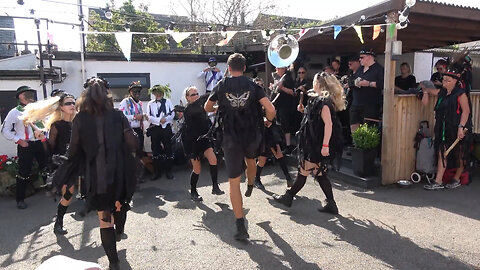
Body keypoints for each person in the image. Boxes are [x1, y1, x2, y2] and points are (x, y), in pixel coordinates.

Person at [54, 77, 138, 270]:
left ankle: (114, 264)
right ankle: (119, 231)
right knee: (120, 204)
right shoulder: (118, 115)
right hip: (119, 172)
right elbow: (134, 143)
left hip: (96, 175)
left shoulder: (80, 119)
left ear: (85, 96)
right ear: (107, 94)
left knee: (105, 218)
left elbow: (73, 150)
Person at [205, 53, 275, 241]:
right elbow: (271, 109)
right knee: (251, 160)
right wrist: (268, 121)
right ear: (244, 68)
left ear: (228, 68)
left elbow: (206, 108)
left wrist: (219, 108)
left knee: (233, 181)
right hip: (251, 134)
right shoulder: (254, 86)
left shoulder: (221, 85)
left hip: (230, 138)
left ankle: (240, 226)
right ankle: (251, 183)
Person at [273, 72, 345, 214]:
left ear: (319, 84)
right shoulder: (317, 100)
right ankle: (331, 204)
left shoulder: (324, 103)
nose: (312, 83)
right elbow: (313, 120)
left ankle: (288, 197)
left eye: (314, 81)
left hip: (316, 144)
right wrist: (303, 111)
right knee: (318, 174)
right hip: (313, 142)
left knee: (305, 172)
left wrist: (325, 146)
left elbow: (329, 125)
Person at [20, 92, 77, 234]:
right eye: (68, 103)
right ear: (61, 108)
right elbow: (50, 149)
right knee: (68, 194)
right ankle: (58, 223)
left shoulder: (78, 123)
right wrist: (42, 139)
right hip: (63, 163)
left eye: (73, 102)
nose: (72, 105)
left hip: (79, 161)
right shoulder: (57, 126)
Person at [422, 60, 472, 190]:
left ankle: (456, 178)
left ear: (455, 81)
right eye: (444, 80)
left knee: (460, 154)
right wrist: (425, 90)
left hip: (459, 127)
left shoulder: (461, 93)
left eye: (448, 81)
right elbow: (430, 91)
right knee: (442, 153)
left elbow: (466, 111)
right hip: (443, 128)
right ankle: (438, 181)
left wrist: (461, 128)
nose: (444, 83)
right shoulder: (442, 92)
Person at [1, 86, 47, 209]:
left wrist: (44, 133)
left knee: (46, 166)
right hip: (25, 144)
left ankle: (48, 189)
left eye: (30, 92)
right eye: (25, 93)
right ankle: (20, 199)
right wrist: (19, 141)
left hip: (39, 142)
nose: (29, 95)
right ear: (19, 97)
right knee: (23, 171)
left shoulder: (38, 110)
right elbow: (5, 130)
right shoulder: (15, 112)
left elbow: (46, 124)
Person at [181, 86, 224, 201]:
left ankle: (215, 186)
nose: (195, 96)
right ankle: (193, 191)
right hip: (192, 142)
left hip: (204, 138)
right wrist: (216, 90)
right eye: (192, 95)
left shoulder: (201, 106)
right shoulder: (189, 109)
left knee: (213, 159)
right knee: (197, 169)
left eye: (196, 93)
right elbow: (204, 107)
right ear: (187, 98)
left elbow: (208, 109)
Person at [253, 78, 294, 190]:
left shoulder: (265, 98)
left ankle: (288, 178)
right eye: (257, 85)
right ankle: (256, 179)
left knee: (276, 153)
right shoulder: (252, 102)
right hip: (260, 132)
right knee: (263, 158)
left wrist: (270, 119)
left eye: (261, 85)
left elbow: (271, 111)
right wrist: (263, 120)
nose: (259, 87)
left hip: (270, 131)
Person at [350, 48, 384, 133]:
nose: (360, 59)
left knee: (368, 128)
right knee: (353, 125)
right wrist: (355, 83)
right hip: (356, 103)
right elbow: (352, 80)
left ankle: (366, 145)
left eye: (362, 57)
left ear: (370, 57)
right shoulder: (360, 69)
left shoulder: (379, 69)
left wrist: (368, 83)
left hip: (370, 104)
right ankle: (355, 143)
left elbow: (383, 84)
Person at [147, 84, 175, 180]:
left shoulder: (168, 102)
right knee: (155, 149)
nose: (158, 94)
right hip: (155, 128)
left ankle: (169, 171)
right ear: (154, 93)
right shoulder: (150, 103)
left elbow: (172, 113)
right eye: (156, 93)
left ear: (163, 93)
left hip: (166, 127)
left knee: (168, 148)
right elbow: (148, 117)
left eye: (160, 93)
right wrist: (159, 120)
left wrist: (166, 119)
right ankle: (157, 172)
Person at [270, 66, 296, 154]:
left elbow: (292, 92)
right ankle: (282, 144)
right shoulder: (277, 78)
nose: (276, 69)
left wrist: (282, 88)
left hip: (285, 105)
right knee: (279, 124)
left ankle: (288, 145)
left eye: (278, 68)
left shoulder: (287, 78)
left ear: (283, 69)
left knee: (285, 124)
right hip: (278, 104)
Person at [119, 81, 147, 157]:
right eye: (135, 91)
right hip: (129, 131)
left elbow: (139, 115)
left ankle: (139, 167)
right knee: (131, 152)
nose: (137, 93)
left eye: (139, 91)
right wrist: (134, 117)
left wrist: (144, 116)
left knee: (139, 150)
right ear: (130, 92)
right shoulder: (125, 102)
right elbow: (121, 117)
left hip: (139, 130)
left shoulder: (139, 103)